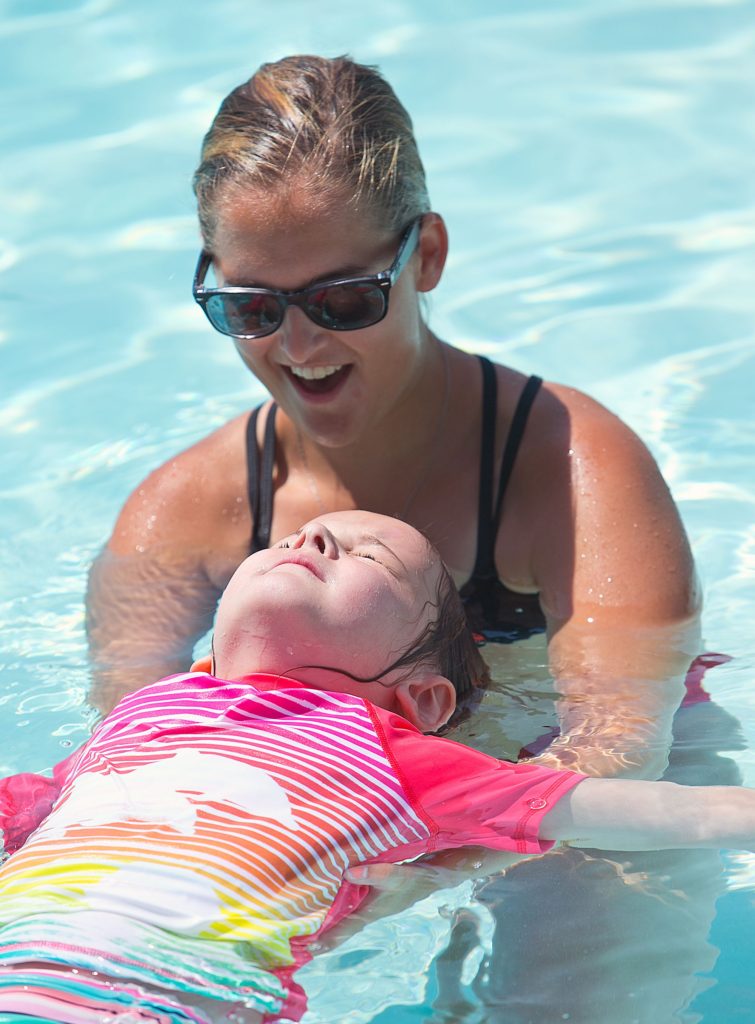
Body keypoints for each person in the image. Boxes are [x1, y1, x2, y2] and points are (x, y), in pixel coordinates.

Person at [85, 53, 700, 783]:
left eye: (342, 300)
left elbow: (619, 749)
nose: (298, 345)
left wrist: (409, 863)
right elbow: (127, 755)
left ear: (427, 257)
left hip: (555, 806)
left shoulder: (566, 471)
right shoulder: (185, 513)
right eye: (250, 307)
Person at [1, 512, 753, 1024]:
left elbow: (659, 812)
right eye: (293, 536)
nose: (314, 535)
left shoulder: (396, 756)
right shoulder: (148, 713)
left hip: (177, 999)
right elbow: (27, 812)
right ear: (208, 659)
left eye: (369, 558)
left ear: (420, 698)